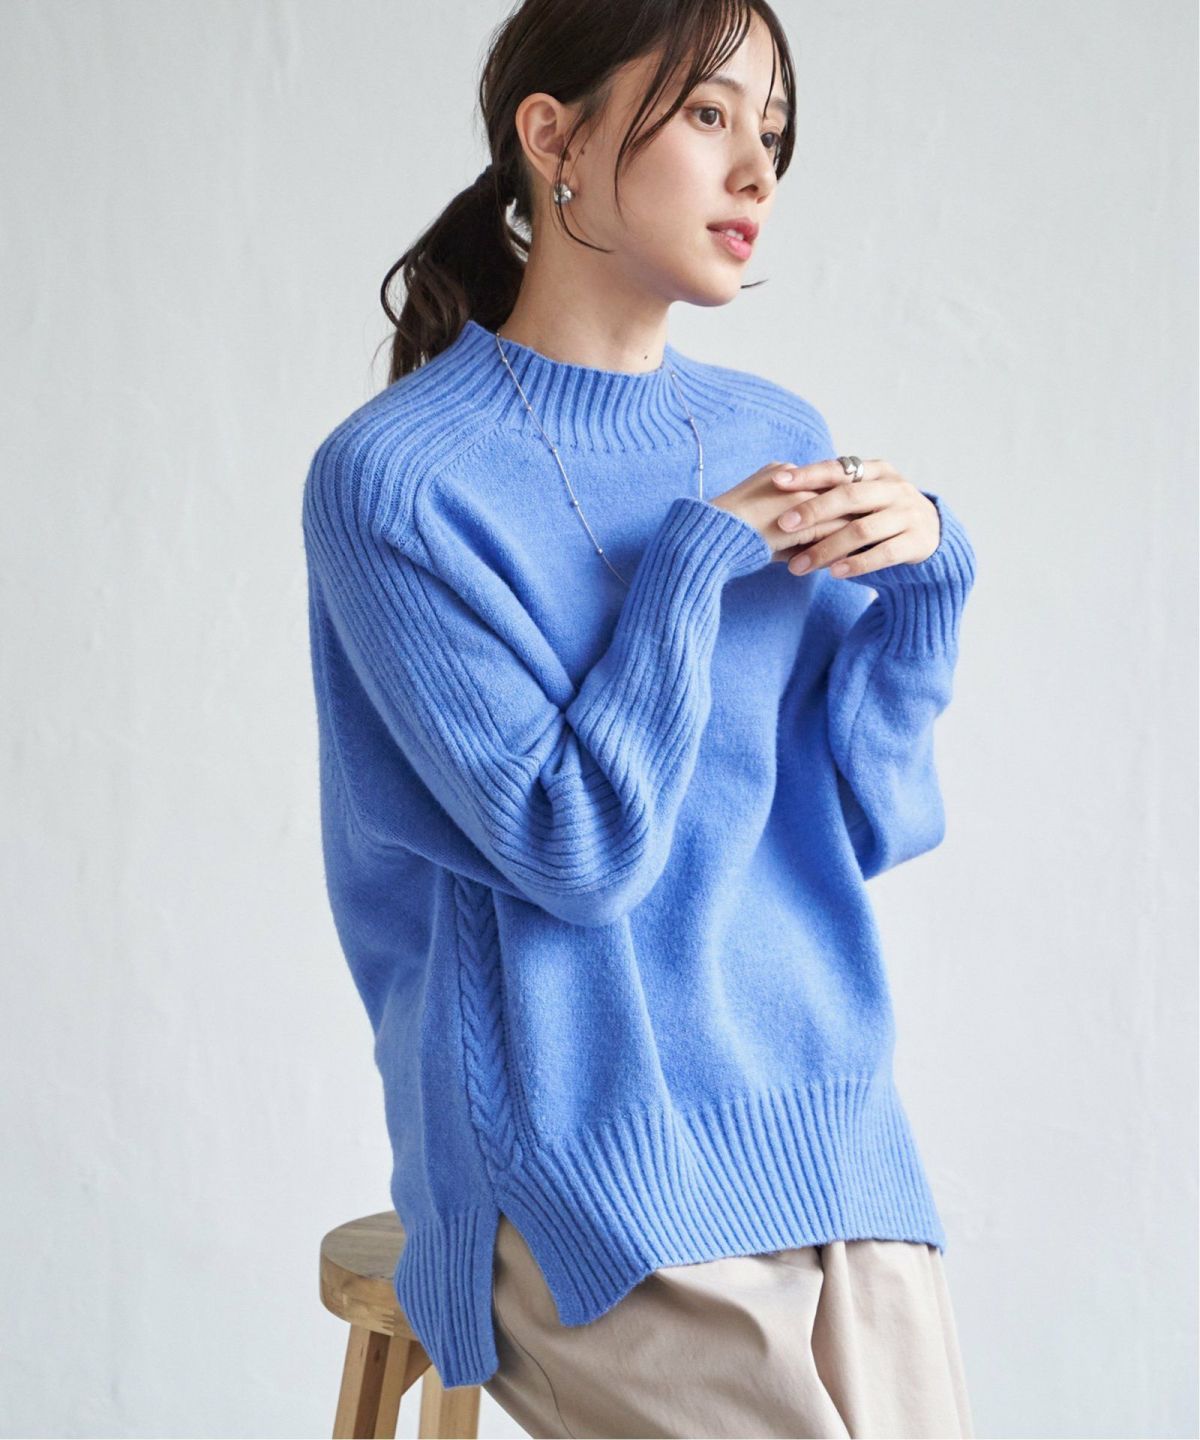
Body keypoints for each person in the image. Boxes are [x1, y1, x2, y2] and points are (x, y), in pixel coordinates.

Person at [301, 1, 978, 1435]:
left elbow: (864, 819)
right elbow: (572, 851)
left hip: (824, 1121)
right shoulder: (397, 480)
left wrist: (928, 586)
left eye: (771, 131)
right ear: (554, 138)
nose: (757, 171)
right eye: (709, 115)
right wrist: (687, 570)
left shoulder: (772, 432)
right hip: (573, 1149)